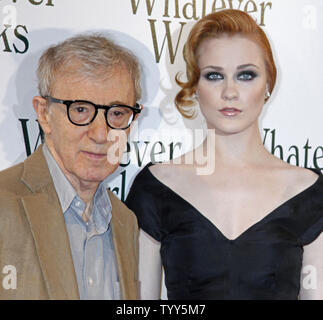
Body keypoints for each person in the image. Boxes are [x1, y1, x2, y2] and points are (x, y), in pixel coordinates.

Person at [126, 9, 323, 300]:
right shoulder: (156, 188)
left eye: (246, 75)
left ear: (268, 84)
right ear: (194, 87)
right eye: (214, 75)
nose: (230, 91)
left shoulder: (307, 192)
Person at [0, 34, 142, 299]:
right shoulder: (3, 202)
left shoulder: (125, 222)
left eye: (117, 113)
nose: (101, 134)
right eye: (80, 110)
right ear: (43, 113)